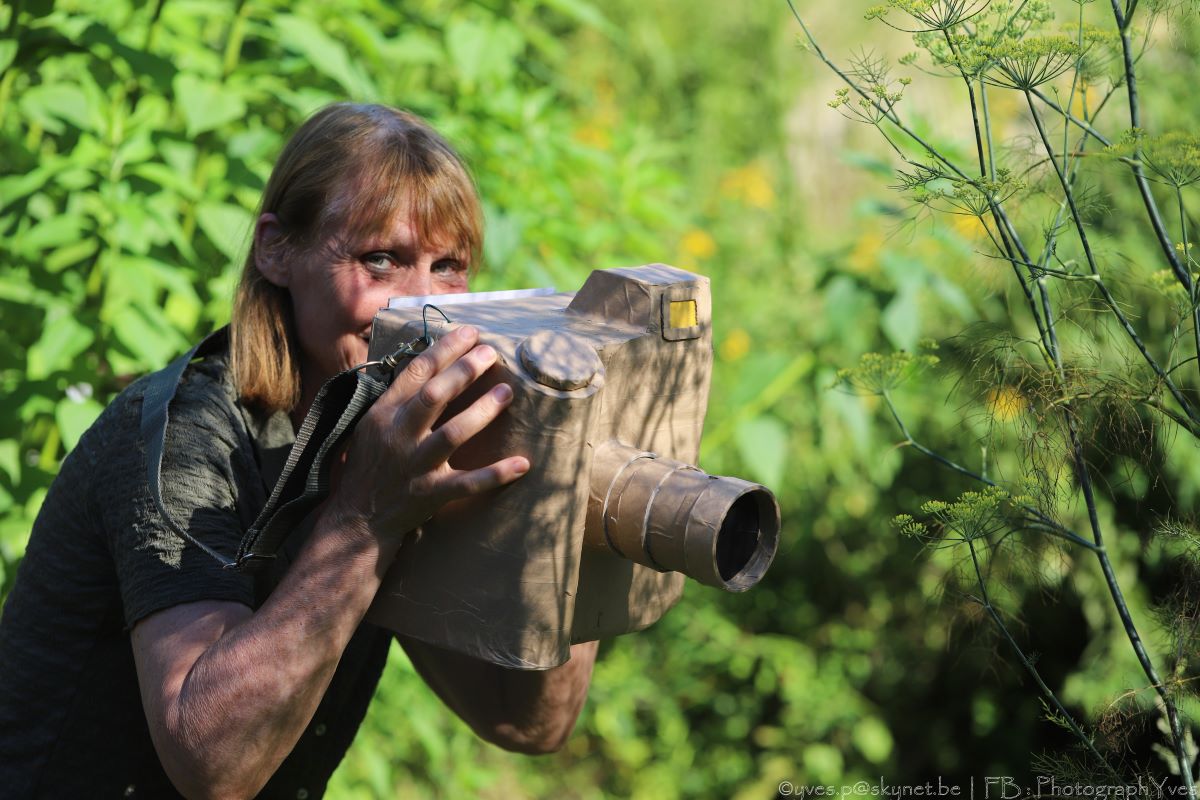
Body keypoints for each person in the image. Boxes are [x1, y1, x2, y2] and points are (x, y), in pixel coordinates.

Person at [0, 103, 598, 799]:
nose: (426, 307)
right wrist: (365, 518)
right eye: (382, 260)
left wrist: (569, 513)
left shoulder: (393, 441)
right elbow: (213, 763)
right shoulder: (185, 438)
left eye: (449, 267)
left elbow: (523, 719)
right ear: (276, 249)